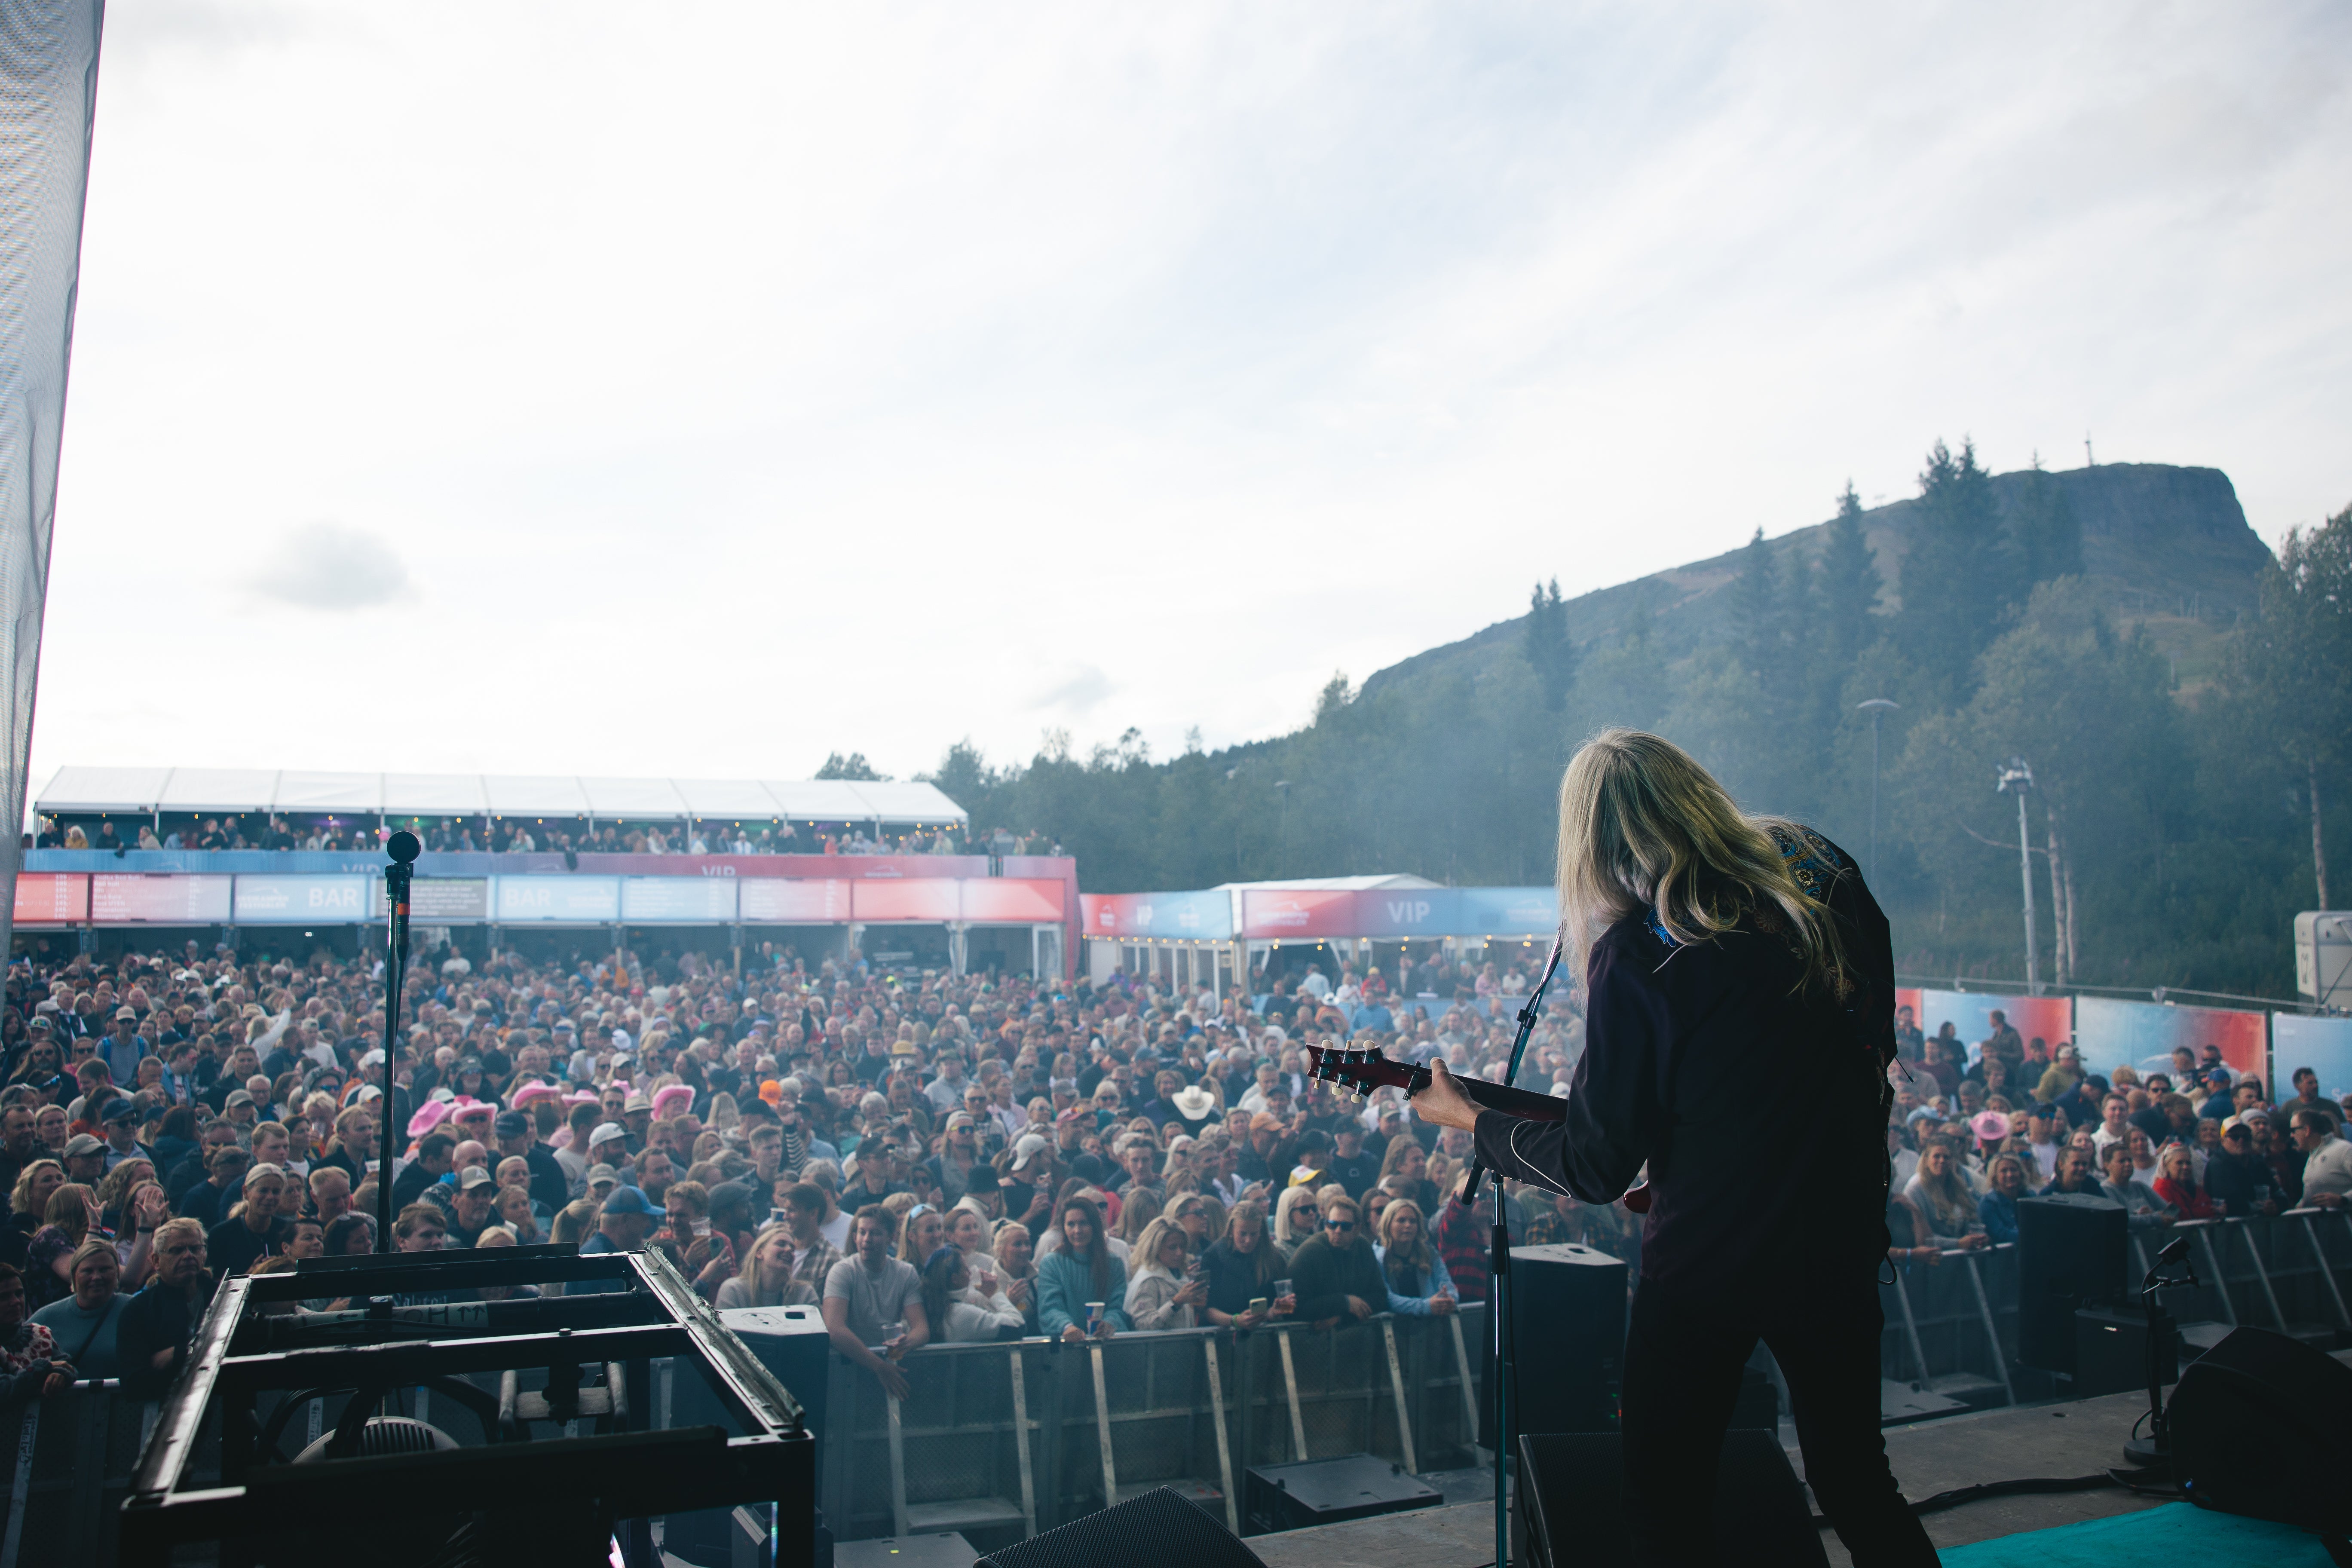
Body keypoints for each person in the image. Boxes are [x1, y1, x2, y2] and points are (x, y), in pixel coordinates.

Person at [1408, 730, 1937, 1566]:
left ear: (1594, 838)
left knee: (1666, 1509)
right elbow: (1842, 1066)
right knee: (1857, 1482)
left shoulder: (1641, 949)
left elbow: (1595, 1164)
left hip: (1708, 1268)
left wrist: (1474, 1123)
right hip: (1836, 1243)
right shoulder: (1815, 888)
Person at [822, 1206, 927, 1399]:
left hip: (890, 1366)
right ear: (855, 1237)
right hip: (848, 1366)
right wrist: (879, 1367)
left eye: (876, 1233)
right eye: (862, 1232)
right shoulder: (842, 1271)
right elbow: (834, 1329)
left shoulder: (905, 1273)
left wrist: (905, 1343)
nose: (867, 1239)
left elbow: (921, 1329)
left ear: (891, 1237)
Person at [116, 1218, 211, 1400]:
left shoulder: (222, 1295)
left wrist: (180, 1353)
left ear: (204, 1254)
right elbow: (133, 1382)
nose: (188, 1256)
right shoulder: (139, 1310)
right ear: (156, 1261)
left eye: (195, 1249)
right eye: (177, 1251)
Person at [29, 1237, 126, 1380]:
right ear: (74, 1276)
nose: (97, 1277)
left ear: (117, 1273)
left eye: (105, 1269)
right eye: (88, 1271)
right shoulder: (47, 1318)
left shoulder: (137, 1309)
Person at [1035, 1194, 1129, 1341]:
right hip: (1067, 1346)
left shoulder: (1114, 1263)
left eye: (1084, 1223)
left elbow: (1119, 1305)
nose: (1077, 1231)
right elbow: (1050, 1308)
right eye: (1071, 1224)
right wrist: (1066, 1326)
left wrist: (1109, 1323)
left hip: (1106, 1344)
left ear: (1094, 1225)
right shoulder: (1052, 1263)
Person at [1285, 1193, 1386, 1328]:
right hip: (1312, 1339)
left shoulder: (1363, 1247)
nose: (1338, 1231)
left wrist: (1342, 1318)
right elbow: (1293, 1309)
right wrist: (1345, 1302)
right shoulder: (1310, 1252)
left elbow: (1380, 1296)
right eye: (1332, 1225)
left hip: (1355, 1336)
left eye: (1345, 1227)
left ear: (1358, 1228)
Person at [0, 1264, 74, 1409]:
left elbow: (67, 1366)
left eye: (19, 1293)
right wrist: (42, 1368)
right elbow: (4, 1389)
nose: (15, 1302)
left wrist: (60, 1375)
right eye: (3, 1297)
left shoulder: (40, 1335)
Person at [919, 1245, 1023, 1341]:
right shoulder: (961, 1314)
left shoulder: (920, 1311)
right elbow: (1018, 1326)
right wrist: (995, 1293)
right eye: (966, 1269)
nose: (970, 1273)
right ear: (954, 1279)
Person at [1373, 1199, 1458, 1316]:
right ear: (1388, 1224)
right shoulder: (1376, 1258)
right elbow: (1387, 1299)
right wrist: (1426, 1306)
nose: (1408, 1225)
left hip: (1433, 1325)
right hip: (1394, 1328)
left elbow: (1447, 1285)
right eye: (1401, 1221)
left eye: (1413, 1221)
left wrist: (1448, 1299)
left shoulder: (1429, 1253)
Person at [1122, 1216, 1207, 1331]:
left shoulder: (1181, 1276)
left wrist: (1199, 1308)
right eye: (1172, 1248)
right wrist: (1175, 1303)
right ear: (1155, 1248)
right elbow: (1142, 1326)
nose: (1179, 1253)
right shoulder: (1148, 1281)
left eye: (1182, 1247)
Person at [1902, 1141, 1987, 1249]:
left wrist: (1979, 1238)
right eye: (1937, 1156)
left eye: (1947, 1157)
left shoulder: (1959, 1185)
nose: (1942, 1161)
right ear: (1926, 1159)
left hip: (1960, 1261)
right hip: (1932, 1260)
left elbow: (1974, 1221)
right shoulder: (1915, 1190)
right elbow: (1921, 1237)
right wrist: (1958, 1244)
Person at [2292, 1111, 2352, 1207]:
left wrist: (2344, 1199)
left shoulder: (2345, 1150)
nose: (2292, 1135)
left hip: (2344, 1222)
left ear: (2307, 1130)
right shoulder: (2312, 1155)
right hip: (2317, 1222)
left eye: (2293, 1130)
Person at [1975, 1154, 2027, 1246]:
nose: (2010, 1175)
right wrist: (2032, 1235)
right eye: (2004, 1171)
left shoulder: (2030, 1196)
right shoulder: (1988, 1203)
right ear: (1995, 1176)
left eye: (2014, 1170)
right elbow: (2001, 1234)